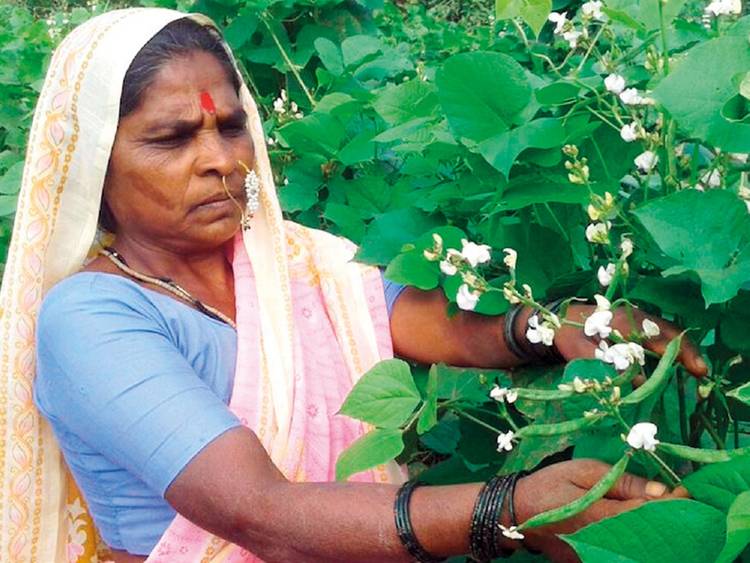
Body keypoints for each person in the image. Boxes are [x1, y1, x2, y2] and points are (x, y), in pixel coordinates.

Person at [0, 8, 705, 563]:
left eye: (233, 127)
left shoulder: (292, 264)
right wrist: (514, 508)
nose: (220, 161)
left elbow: (434, 323)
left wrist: (558, 325)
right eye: (173, 138)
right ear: (95, 162)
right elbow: (263, 514)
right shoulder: (91, 317)